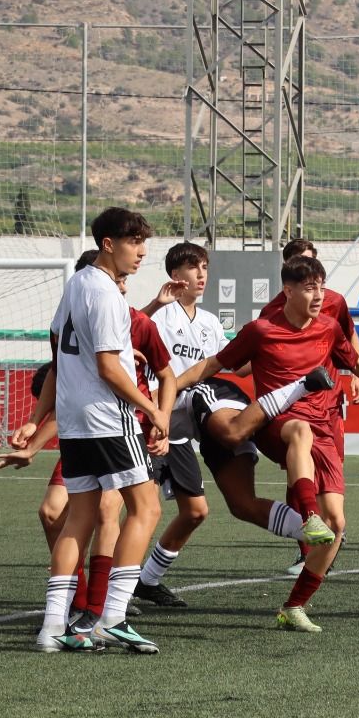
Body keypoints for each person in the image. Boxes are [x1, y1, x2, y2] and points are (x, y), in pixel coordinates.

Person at [174, 254, 359, 633]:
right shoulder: (262, 327)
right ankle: (307, 516)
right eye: (309, 286)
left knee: (337, 525)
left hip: (325, 426)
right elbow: (217, 364)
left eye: (320, 286)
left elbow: (355, 359)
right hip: (278, 421)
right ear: (288, 289)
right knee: (298, 434)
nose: (317, 294)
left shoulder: (328, 322)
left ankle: (293, 607)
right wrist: (165, 393)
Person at [36, 207, 170, 655]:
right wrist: (153, 409)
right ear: (107, 244)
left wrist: (38, 418)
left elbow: (57, 359)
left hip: (74, 424)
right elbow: (110, 368)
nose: (142, 251)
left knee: (80, 517)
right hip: (107, 420)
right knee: (147, 508)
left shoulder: (74, 285)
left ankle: (54, 626)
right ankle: (113, 616)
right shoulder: (108, 294)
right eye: (134, 241)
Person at [263, 237, 359, 577]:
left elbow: (348, 338)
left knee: (330, 479)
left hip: (329, 406)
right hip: (292, 410)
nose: (307, 272)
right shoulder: (271, 313)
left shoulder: (334, 303)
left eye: (310, 264)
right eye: (297, 263)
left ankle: (331, 533)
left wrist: (354, 372)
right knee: (298, 476)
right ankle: (306, 547)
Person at [133, 241, 230, 607]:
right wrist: (158, 419)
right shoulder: (160, 317)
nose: (201, 274)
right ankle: (112, 593)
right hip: (151, 427)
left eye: (204, 266)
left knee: (195, 511)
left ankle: (147, 581)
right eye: (193, 267)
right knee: (137, 510)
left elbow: (230, 362)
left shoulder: (208, 322)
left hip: (180, 436)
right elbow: (129, 332)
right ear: (176, 276)